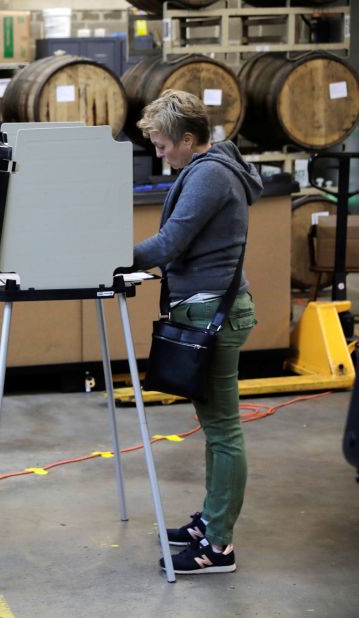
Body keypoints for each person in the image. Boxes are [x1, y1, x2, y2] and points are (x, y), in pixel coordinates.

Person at [129, 90, 263, 574]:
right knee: (214, 428)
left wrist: (112, 254)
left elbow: (171, 242)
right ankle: (210, 520)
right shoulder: (210, 166)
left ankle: (219, 546)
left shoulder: (208, 175)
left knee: (224, 431)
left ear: (189, 140)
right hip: (208, 309)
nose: (160, 155)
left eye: (163, 146)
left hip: (216, 315)